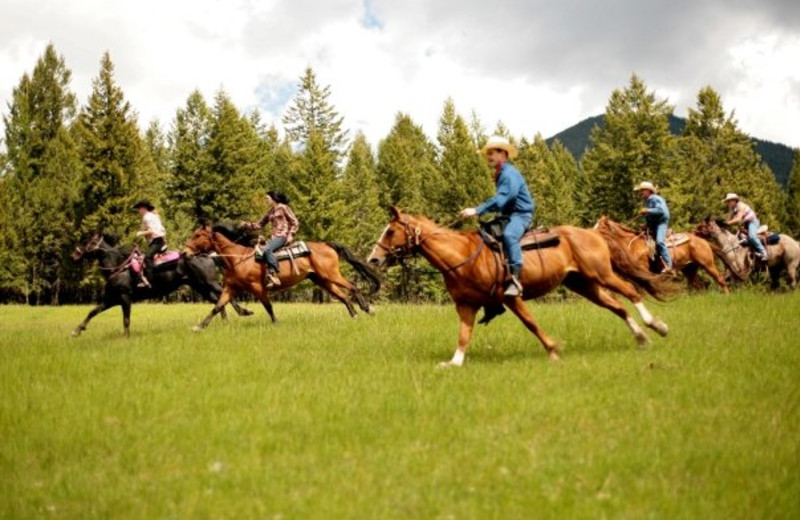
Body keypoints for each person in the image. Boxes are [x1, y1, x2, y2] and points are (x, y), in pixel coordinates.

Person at [460, 136, 534, 297]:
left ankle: (515, 279)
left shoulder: (508, 174)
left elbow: (502, 200)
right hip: (508, 216)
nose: (488, 157)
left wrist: (476, 210)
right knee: (484, 234)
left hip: (520, 215)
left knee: (509, 235)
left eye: (491, 153)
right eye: (488, 154)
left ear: (503, 153)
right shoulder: (502, 173)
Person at [242, 190, 299, 288]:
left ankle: (274, 275)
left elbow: (295, 222)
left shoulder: (283, 208)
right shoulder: (271, 211)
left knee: (267, 249)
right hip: (274, 237)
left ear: (274, 199)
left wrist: (291, 234)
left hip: (282, 236)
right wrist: (246, 225)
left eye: (267, 199)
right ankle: (263, 276)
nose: (266, 201)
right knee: (258, 252)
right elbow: (259, 224)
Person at [635, 181, 672, 273]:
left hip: (661, 223)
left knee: (659, 241)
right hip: (654, 225)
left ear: (648, 191)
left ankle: (669, 264)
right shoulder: (648, 202)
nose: (641, 193)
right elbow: (651, 216)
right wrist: (646, 224)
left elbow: (661, 211)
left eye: (642, 190)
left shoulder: (655, 198)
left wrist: (648, 210)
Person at [723, 193, 768, 260]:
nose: (727, 203)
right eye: (727, 202)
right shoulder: (732, 209)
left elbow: (738, 219)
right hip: (745, 225)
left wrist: (728, 224)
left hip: (752, 222)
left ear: (734, 200)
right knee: (739, 240)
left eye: (729, 201)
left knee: (752, 237)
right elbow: (728, 220)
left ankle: (763, 252)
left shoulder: (741, 206)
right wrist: (723, 224)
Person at [132, 200, 166, 288]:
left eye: (138, 209)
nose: (138, 211)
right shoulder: (153, 216)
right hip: (159, 240)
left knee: (147, 258)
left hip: (157, 241)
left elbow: (151, 231)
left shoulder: (147, 217)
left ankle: (150, 280)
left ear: (143, 208)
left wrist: (140, 233)